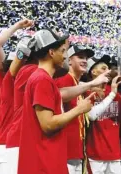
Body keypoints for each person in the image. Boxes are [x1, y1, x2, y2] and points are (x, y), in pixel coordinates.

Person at [17, 29, 94, 174]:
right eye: (62, 51)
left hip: (46, 159)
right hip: (43, 162)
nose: (65, 56)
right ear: (51, 52)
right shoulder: (42, 79)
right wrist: (79, 109)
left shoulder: (43, 79)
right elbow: (48, 124)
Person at [0, 18, 34, 174]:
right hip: (7, 143)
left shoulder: (33, 78)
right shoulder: (6, 78)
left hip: (19, 142)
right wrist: (17, 26)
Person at [54, 45, 95, 174]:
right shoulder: (64, 79)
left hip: (75, 152)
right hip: (65, 151)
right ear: (69, 60)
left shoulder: (77, 83)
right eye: (80, 57)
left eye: (86, 58)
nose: (85, 61)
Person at [86, 56, 121, 174]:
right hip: (95, 154)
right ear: (93, 71)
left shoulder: (115, 93)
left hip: (114, 153)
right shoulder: (86, 92)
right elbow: (91, 115)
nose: (108, 71)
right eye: (103, 68)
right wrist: (112, 94)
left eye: (108, 68)